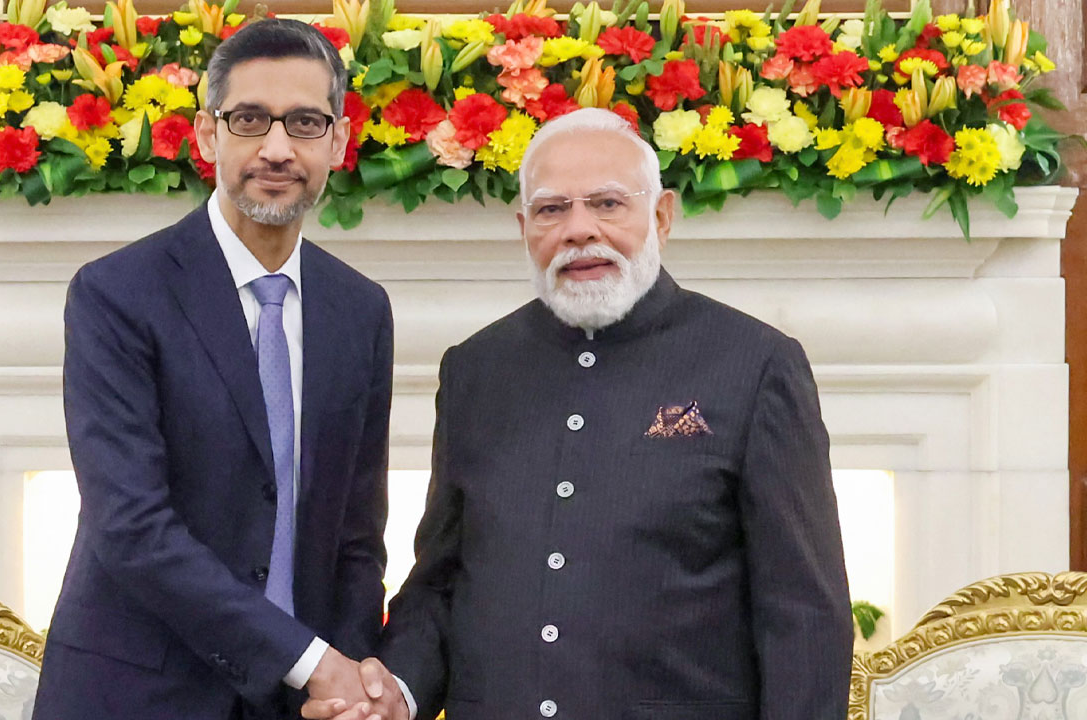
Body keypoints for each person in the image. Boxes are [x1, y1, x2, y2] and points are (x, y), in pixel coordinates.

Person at [307, 107, 852, 720]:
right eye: (551, 209)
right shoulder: (476, 369)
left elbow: (803, 613)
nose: (578, 229)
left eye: (608, 204)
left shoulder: (755, 364)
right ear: (523, 228)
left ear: (662, 216)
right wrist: (395, 695)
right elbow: (442, 581)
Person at [33, 19, 395, 720]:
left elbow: (357, 535)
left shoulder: (361, 309)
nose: (278, 148)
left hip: (304, 702)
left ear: (339, 143)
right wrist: (313, 661)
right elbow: (132, 525)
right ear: (207, 134)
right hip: (139, 694)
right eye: (251, 119)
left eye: (305, 122)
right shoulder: (117, 293)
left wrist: (350, 683)